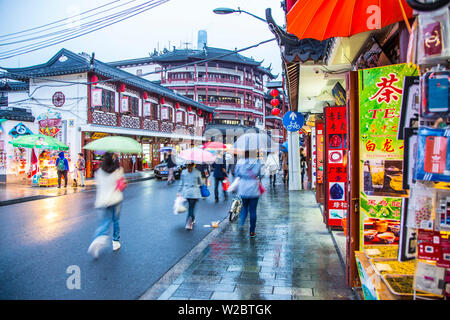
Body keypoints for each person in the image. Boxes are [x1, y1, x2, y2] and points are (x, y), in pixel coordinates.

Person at [87, 152, 125, 258]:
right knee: (115, 221)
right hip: (115, 199)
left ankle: (98, 238)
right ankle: (115, 242)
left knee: (104, 222)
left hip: (102, 201)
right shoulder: (118, 171)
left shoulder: (98, 172)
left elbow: (98, 184)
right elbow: (121, 186)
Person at [235, 151, 263, 238]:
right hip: (254, 188)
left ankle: (241, 224)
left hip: (243, 188)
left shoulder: (240, 162)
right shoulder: (257, 162)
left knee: (244, 208)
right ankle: (252, 231)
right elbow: (261, 174)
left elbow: (237, 173)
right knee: (253, 210)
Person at [177, 163, 202, 230]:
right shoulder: (197, 172)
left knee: (190, 207)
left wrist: (179, 192)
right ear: (194, 165)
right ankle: (189, 222)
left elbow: (181, 183)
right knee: (191, 208)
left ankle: (192, 219)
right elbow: (200, 182)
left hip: (186, 192)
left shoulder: (183, 172)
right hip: (194, 193)